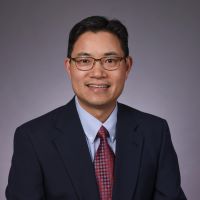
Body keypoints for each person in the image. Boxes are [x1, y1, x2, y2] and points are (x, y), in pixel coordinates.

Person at [6, 16, 187, 200]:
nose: (98, 73)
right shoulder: (32, 139)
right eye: (85, 61)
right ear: (69, 67)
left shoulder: (155, 133)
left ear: (127, 67)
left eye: (110, 60)